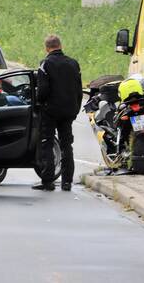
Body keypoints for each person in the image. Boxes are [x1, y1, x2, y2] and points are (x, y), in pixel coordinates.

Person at [33, 34, 82, 192]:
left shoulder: (45, 64)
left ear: (47, 48)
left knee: (46, 143)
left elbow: (43, 90)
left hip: (50, 111)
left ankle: (47, 181)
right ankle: (67, 181)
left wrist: (39, 103)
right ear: (60, 46)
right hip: (68, 110)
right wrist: (75, 109)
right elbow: (79, 90)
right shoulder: (73, 64)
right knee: (67, 145)